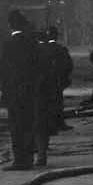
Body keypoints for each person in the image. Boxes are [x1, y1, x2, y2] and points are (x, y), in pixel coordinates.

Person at [0, 10, 40, 169]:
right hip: (30, 91)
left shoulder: (8, 44)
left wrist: (0, 87)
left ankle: (20, 160)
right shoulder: (31, 43)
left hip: (14, 92)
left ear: (10, 25)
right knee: (28, 125)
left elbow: (3, 70)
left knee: (16, 127)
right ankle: (28, 158)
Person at [31, 28, 73, 167]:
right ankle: (42, 152)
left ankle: (37, 152)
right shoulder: (56, 50)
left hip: (35, 92)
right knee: (44, 122)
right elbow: (67, 66)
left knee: (35, 123)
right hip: (51, 89)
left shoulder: (32, 52)